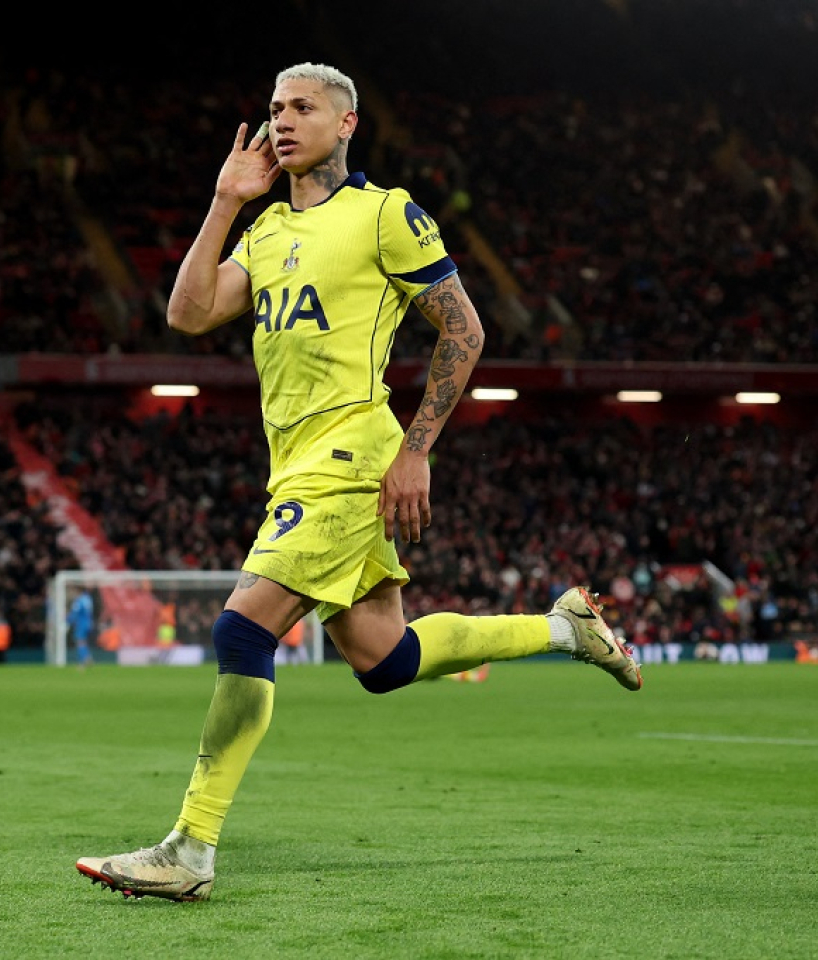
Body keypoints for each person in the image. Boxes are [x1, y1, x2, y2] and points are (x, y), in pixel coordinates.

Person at [75, 62, 642, 904]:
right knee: (385, 659)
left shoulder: (386, 213)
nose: (284, 121)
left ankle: (190, 849)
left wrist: (416, 449)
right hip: (295, 464)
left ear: (346, 123)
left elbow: (464, 330)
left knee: (241, 634)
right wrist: (226, 201)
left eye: (304, 108)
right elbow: (187, 314)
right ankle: (565, 630)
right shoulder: (263, 231)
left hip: (352, 455)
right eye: (275, 109)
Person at [67, 588, 95, 669]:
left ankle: (84, 660)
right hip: (89, 623)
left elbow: (75, 612)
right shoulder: (88, 599)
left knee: (80, 642)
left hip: (81, 624)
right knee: (84, 642)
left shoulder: (79, 600)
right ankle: (87, 658)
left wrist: (68, 620)